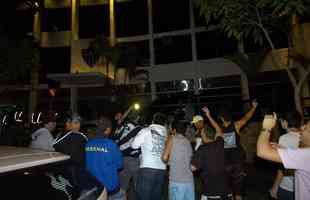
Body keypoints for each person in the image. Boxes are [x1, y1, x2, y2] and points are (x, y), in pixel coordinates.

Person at [257, 113, 310, 200]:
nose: (302, 128)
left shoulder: (306, 154)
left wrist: (266, 127)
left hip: (286, 187)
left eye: (307, 129)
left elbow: (262, 151)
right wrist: (283, 149)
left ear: (285, 123)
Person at [212, 101, 258, 200]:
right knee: (237, 193)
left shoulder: (220, 130)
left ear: (221, 117)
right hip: (237, 164)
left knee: (231, 192)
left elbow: (246, 118)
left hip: (227, 164)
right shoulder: (235, 125)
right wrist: (254, 107)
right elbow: (246, 118)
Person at [53, 114, 100, 199]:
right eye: (76, 123)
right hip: (78, 175)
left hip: (62, 175)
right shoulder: (79, 137)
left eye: (79, 123)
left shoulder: (59, 136)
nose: (78, 125)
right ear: (69, 123)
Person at [191, 108, 233, 200]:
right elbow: (218, 129)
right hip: (227, 192)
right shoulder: (221, 143)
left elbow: (192, 168)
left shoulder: (202, 149)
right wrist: (208, 115)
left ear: (204, 135)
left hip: (211, 193)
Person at [85, 116, 124, 200]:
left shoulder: (88, 144)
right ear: (108, 129)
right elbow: (120, 165)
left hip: (95, 188)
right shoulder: (111, 144)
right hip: (110, 188)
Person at [131, 112, 168, 200]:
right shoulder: (166, 134)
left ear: (153, 121)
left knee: (143, 195)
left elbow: (134, 145)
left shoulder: (146, 130)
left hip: (148, 168)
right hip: (162, 169)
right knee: (156, 195)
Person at [270, 111, 301, 200]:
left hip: (288, 186)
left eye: (281, 121)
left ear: (285, 122)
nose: (280, 124)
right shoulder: (305, 136)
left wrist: (275, 187)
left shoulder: (284, 138)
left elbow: (282, 166)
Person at [112, 114, 143, 199]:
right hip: (133, 159)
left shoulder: (123, 126)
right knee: (138, 185)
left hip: (121, 158)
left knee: (122, 187)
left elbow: (115, 139)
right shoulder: (139, 128)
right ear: (138, 118)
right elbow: (138, 145)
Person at [162, 120, 194, 200]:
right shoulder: (188, 141)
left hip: (177, 180)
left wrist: (168, 161)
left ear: (174, 130)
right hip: (189, 181)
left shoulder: (172, 138)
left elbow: (164, 157)